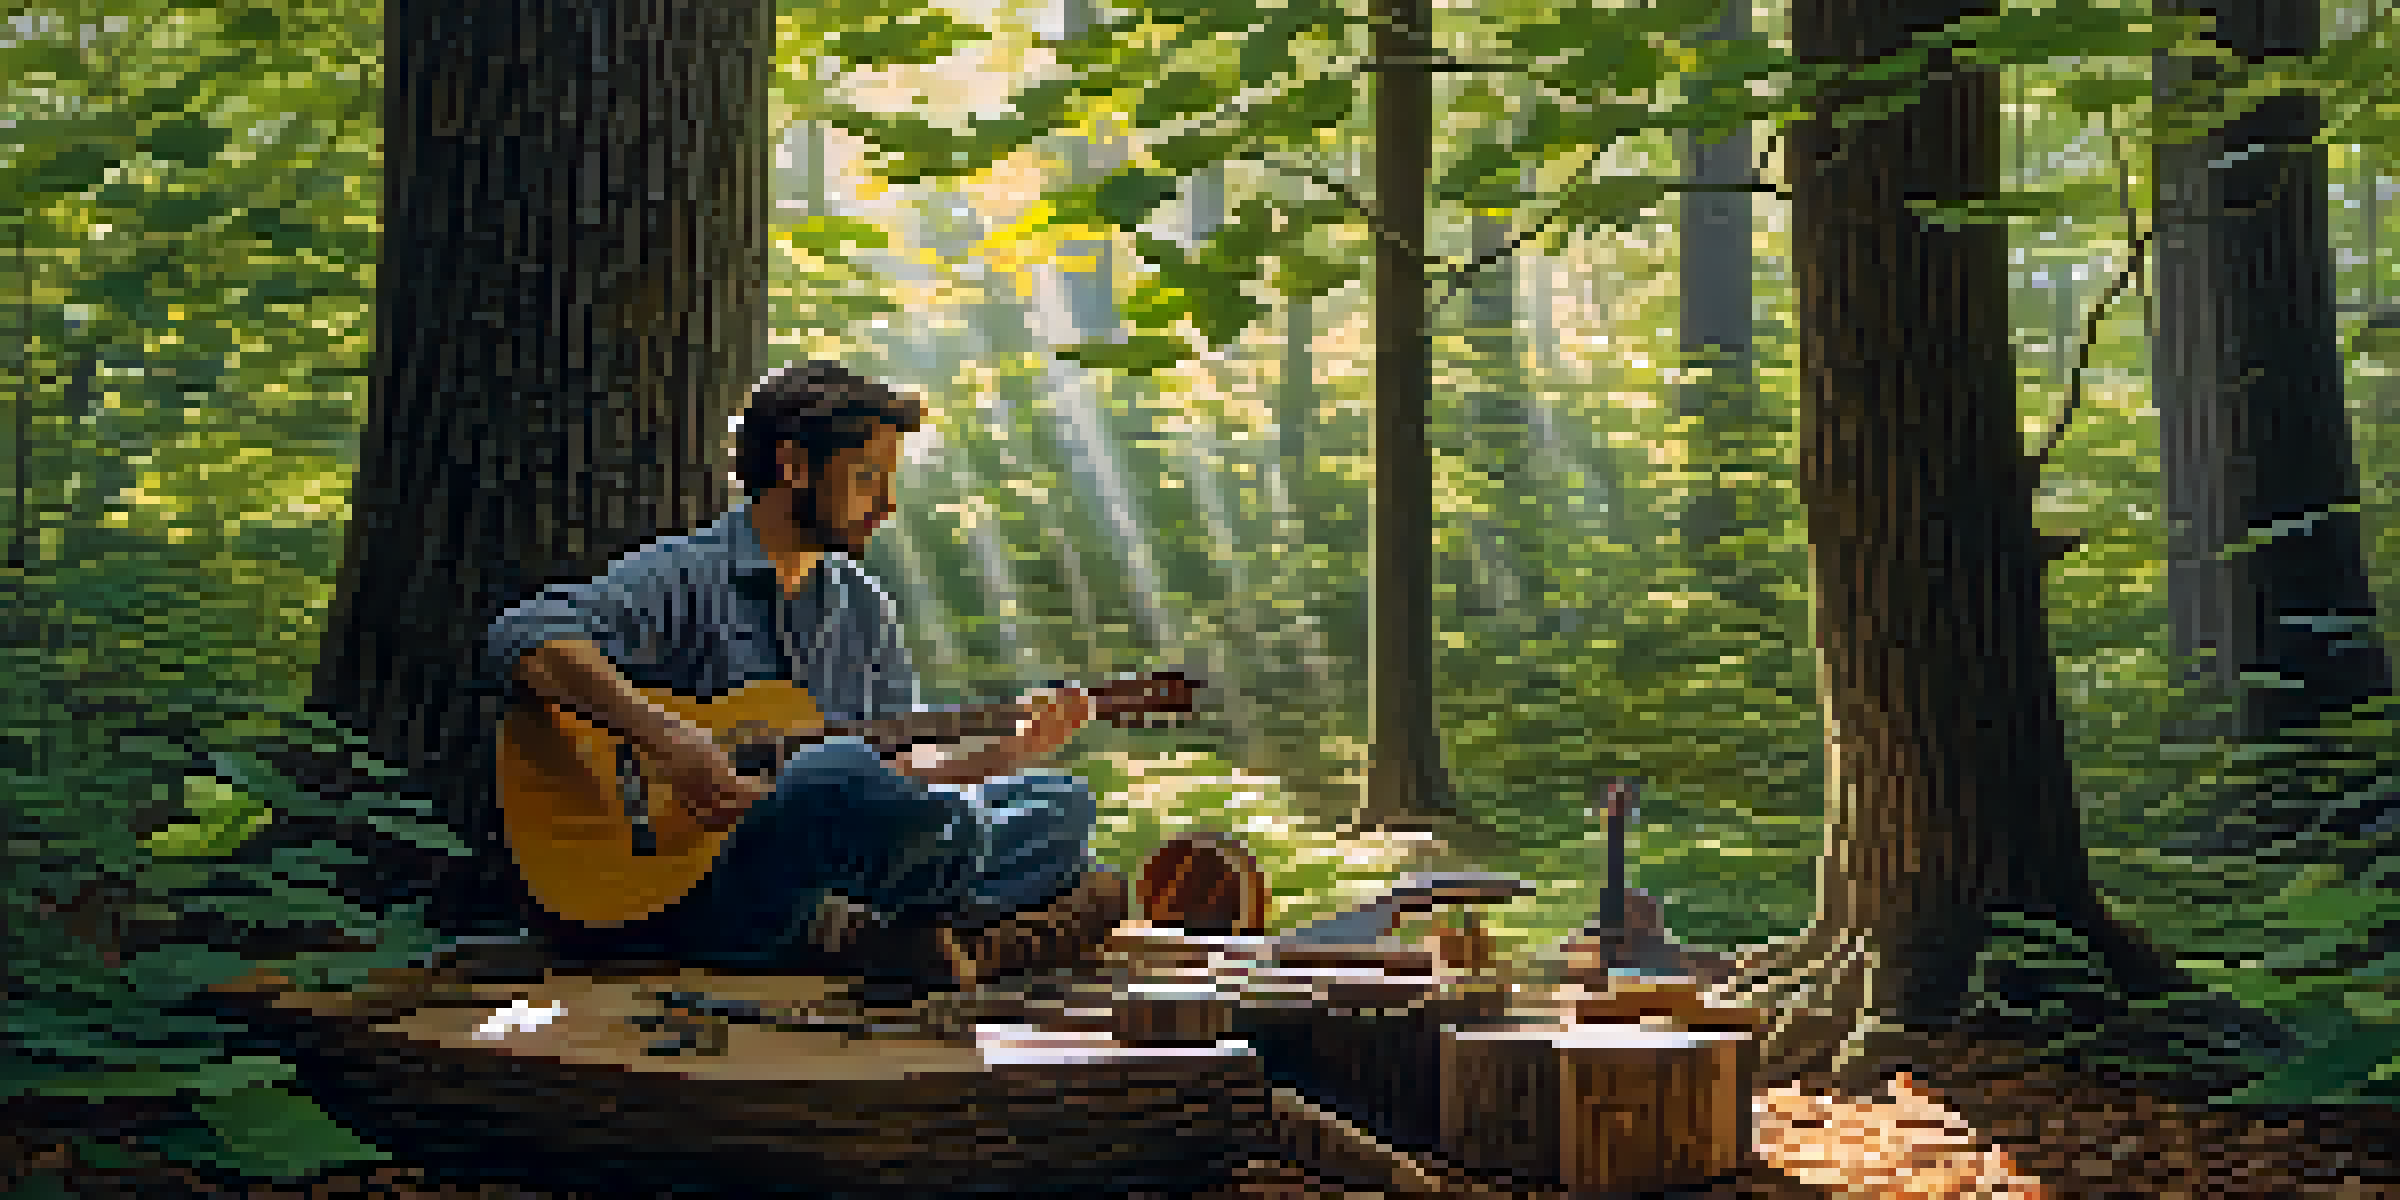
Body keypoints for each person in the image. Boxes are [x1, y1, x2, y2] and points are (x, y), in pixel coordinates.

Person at [483, 361, 1126, 998]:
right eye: (867, 477)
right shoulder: (684, 575)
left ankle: (887, 932)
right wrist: (672, 741)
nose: (887, 504)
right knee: (834, 771)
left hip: (835, 866)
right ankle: (928, 920)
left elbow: (899, 776)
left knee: (1060, 801)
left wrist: (1007, 752)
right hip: (696, 887)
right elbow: (525, 635)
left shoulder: (864, 605)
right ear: (794, 465)